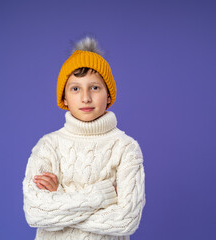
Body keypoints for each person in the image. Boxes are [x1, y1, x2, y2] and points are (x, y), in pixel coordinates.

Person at [22, 36, 146, 240]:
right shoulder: (47, 146)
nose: (85, 97)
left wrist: (59, 200)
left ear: (109, 95)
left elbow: (126, 220)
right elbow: (36, 213)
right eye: (75, 88)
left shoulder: (126, 148)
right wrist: (104, 195)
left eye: (95, 87)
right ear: (64, 97)